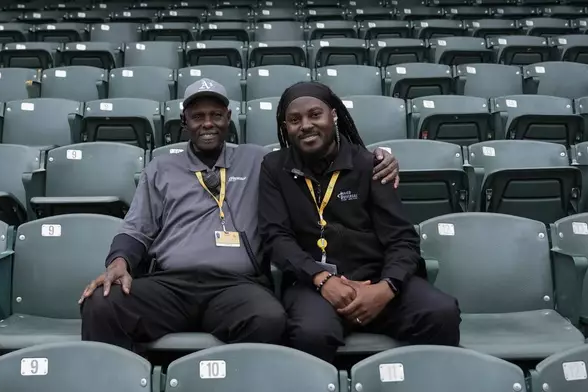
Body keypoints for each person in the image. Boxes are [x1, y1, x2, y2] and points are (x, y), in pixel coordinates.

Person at [79, 78, 400, 352]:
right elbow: (136, 229)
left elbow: (316, 151)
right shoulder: (161, 167)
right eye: (198, 116)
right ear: (184, 122)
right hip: (171, 284)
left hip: (236, 286)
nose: (207, 123)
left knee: (269, 319)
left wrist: (380, 157)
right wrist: (119, 263)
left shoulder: (260, 161)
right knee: (102, 304)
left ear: (229, 118)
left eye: (216, 115)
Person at [258, 81, 461, 363]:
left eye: (315, 114)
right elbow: (276, 237)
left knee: (440, 312)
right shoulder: (273, 167)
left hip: (376, 279)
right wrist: (322, 279)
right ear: (285, 127)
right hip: (313, 284)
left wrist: (385, 288)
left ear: (334, 115)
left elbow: (402, 239)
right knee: (311, 333)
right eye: (294, 120)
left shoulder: (370, 164)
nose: (305, 125)